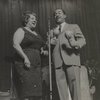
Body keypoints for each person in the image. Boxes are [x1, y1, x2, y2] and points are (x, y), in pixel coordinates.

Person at [50, 8, 86, 100]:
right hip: (58, 63)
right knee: (61, 92)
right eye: (55, 14)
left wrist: (75, 44)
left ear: (65, 16)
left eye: (59, 12)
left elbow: (82, 40)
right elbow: (47, 48)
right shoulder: (51, 31)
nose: (57, 14)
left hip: (72, 59)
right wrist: (50, 43)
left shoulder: (73, 26)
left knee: (75, 89)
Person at [13, 11, 47, 100]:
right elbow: (15, 44)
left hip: (37, 66)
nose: (35, 20)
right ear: (26, 20)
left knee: (37, 93)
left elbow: (41, 48)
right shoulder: (21, 30)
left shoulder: (37, 35)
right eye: (32, 18)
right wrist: (25, 58)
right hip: (25, 64)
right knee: (27, 91)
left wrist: (43, 51)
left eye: (36, 19)